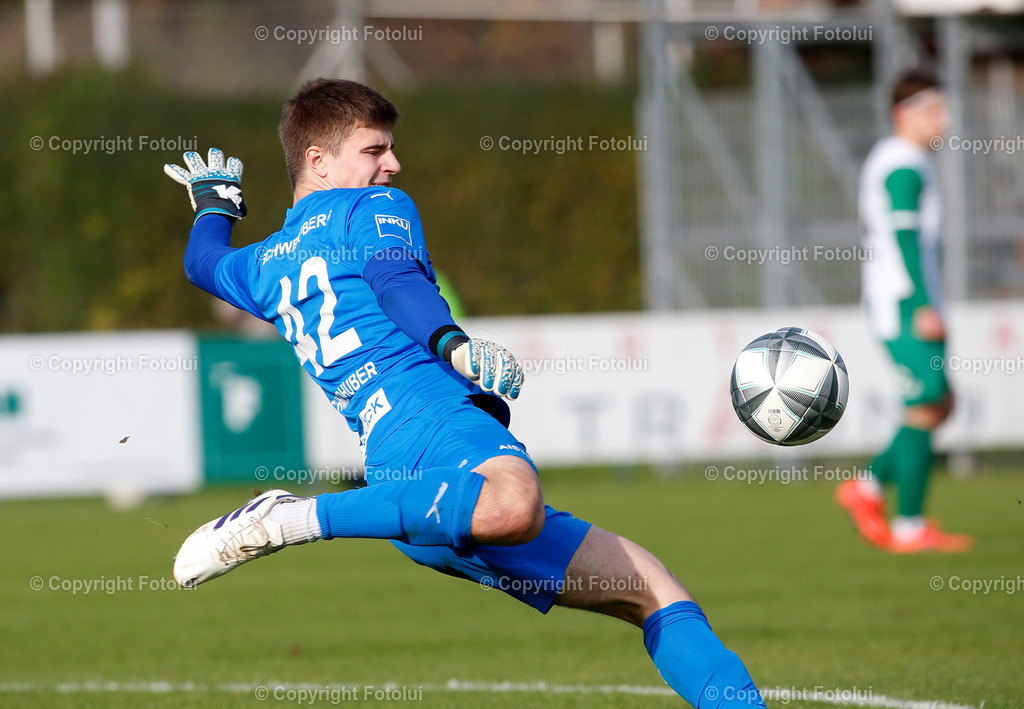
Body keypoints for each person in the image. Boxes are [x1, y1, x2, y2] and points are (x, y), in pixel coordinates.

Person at [165, 78, 766, 708]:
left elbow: (203, 263)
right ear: (318, 160)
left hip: (409, 481)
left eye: (390, 149)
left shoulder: (263, 264)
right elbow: (394, 277)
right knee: (514, 504)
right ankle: (290, 520)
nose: (392, 164)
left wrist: (214, 208)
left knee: (653, 588)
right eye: (374, 150)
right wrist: (450, 341)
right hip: (436, 430)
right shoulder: (370, 208)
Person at [836, 71, 973, 554]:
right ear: (903, 114)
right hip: (902, 303)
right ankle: (905, 521)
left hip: (903, 299)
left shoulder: (901, 159)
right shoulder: (903, 164)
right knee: (925, 403)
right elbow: (904, 238)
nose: (943, 120)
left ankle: (871, 489)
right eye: (933, 110)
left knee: (939, 404)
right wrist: (921, 304)